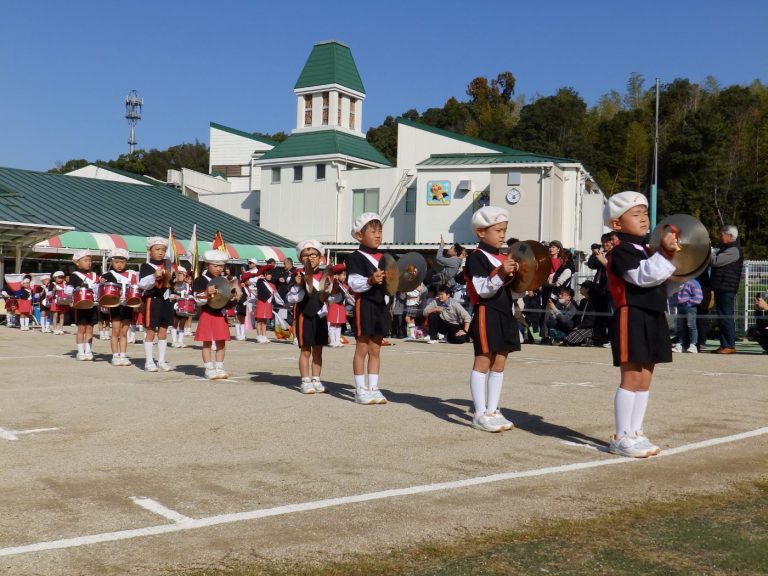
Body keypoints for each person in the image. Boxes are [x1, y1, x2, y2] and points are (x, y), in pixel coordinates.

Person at [604, 191, 680, 458]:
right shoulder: (622, 251)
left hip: (653, 314)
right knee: (631, 377)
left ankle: (636, 432)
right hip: (631, 315)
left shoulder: (648, 250)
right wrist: (667, 254)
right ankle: (622, 436)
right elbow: (643, 277)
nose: (644, 219)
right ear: (616, 224)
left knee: (645, 378)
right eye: (635, 215)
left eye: (645, 213)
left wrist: (680, 270)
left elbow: (663, 286)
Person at [465, 206, 520, 432]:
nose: (502, 234)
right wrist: (501, 272)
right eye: (497, 230)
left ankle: (493, 409)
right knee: (483, 360)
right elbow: (482, 290)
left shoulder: (504, 257)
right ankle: (479, 413)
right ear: (481, 232)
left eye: (504, 230)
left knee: (500, 362)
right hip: (487, 311)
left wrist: (523, 280)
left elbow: (513, 292)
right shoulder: (476, 257)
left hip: (506, 311)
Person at [346, 212, 389, 405]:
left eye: (380, 231)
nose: (378, 235)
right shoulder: (355, 257)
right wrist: (371, 280)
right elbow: (354, 283)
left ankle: (374, 387)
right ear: (359, 236)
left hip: (381, 305)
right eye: (373, 231)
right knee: (362, 347)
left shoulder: (387, 257)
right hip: (364, 305)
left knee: (376, 349)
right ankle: (360, 389)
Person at [288, 240, 331, 393]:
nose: (310, 258)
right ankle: (305, 380)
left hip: (320, 317)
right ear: (301, 259)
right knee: (305, 350)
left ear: (321, 257)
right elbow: (292, 299)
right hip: (304, 316)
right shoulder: (297, 275)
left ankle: (316, 379)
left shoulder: (326, 275)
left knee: (318, 350)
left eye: (314, 254)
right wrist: (298, 285)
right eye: (306, 255)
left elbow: (331, 298)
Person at [193, 250, 238, 379]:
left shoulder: (224, 280)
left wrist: (234, 298)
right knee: (207, 342)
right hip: (207, 313)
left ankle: (219, 367)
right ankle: (208, 367)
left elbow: (226, 300)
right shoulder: (200, 280)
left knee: (221, 342)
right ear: (207, 265)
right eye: (215, 266)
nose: (219, 269)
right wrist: (207, 293)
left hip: (220, 314)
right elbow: (197, 300)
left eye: (221, 266)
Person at [138, 237, 175, 372]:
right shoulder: (146, 266)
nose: (161, 252)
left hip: (166, 300)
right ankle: (149, 361)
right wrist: (154, 276)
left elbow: (173, 285)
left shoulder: (168, 265)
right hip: (153, 300)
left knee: (164, 330)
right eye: (157, 249)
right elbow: (142, 284)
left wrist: (177, 281)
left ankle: (161, 360)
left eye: (163, 250)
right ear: (150, 251)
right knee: (151, 330)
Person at [100, 248, 138, 366]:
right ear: (112, 262)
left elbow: (136, 288)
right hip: (115, 305)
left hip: (128, 305)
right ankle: (115, 356)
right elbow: (101, 290)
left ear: (126, 262)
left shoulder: (132, 274)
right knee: (116, 330)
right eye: (116, 262)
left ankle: (123, 355)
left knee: (124, 332)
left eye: (122, 262)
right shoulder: (107, 275)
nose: (119, 264)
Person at [710, 225, 743, 354]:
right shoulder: (728, 249)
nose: (720, 236)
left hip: (726, 287)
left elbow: (715, 261)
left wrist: (708, 250)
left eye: (722, 233)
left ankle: (729, 345)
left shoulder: (734, 250)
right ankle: (725, 344)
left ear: (729, 236)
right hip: (722, 287)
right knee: (722, 316)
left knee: (726, 316)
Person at [67, 251, 100, 360]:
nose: (88, 263)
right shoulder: (75, 275)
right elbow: (68, 290)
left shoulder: (95, 275)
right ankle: (80, 352)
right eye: (85, 260)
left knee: (90, 328)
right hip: (80, 305)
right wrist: (74, 290)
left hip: (93, 305)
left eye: (90, 260)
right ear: (77, 263)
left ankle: (88, 351)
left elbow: (99, 290)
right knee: (81, 328)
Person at [671, 277, 703, 353]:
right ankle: (680, 344)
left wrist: (689, 303)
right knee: (680, 326)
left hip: (690, 307)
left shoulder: (694, 282)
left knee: (691, 325)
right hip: (680, 306)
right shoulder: (678, 283)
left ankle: (693, 345)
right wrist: (675, 303)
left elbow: (698, 297)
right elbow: (675, 294)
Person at [563, 281, 598, 346]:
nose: (580, 289)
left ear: (587, 289)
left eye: (582, 287)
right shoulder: (583, 301)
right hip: (580, 327)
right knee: (571, 334)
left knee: (569, 339)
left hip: (589, 328)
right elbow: (579, 316)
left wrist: (579, 326)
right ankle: (587, 340)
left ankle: (591, 340)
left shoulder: (594, 302)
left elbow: (591, 320)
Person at [252, 265, 280, 343]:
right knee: (259, 320)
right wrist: (259, 278)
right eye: (268, 274)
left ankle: (264, 336)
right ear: (264, 275)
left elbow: (276, 294)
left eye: (270, 274)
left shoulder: (271, 284)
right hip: (261, 302)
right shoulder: (260, 282)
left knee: (265, 321)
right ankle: (259, 336)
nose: (270, 276)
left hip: (268, 303)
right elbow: (259, 291)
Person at [326, 263, 351, 347]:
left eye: (345, 275)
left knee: (339, 324)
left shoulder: (344, 285)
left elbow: (347, 295)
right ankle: (332, 341)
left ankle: (337, 340)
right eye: (343, 275)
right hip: (334, 305)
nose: (344, 277)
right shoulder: (333, 283)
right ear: (337, 275)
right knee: (333, 324)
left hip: (341, 306)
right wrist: (333, 281)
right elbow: (329, 292)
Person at [171, 266, 192, 347]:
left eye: (182, 274)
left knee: (182, 324)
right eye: (179, 274)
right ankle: (174, 341)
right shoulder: (173, 284)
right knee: (175, 323)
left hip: (184, 306)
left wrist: (188, 298)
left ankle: (180, 341)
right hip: (175, 305)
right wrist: (174, 296)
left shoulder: (187, 285)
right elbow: (169, 294)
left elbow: (190, 294)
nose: (180, 276)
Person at [49, 271, 69, 335]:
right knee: (55, 316)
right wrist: (53, 290)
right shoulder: (52, 284)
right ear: (55, 278)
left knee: (62, 316)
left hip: (63, 301)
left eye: (61, 278)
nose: (60, 279)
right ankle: (55, 329)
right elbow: (49, 294)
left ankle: (61, 329)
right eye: (58, 278)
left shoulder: (65, 284)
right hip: (55, 301)